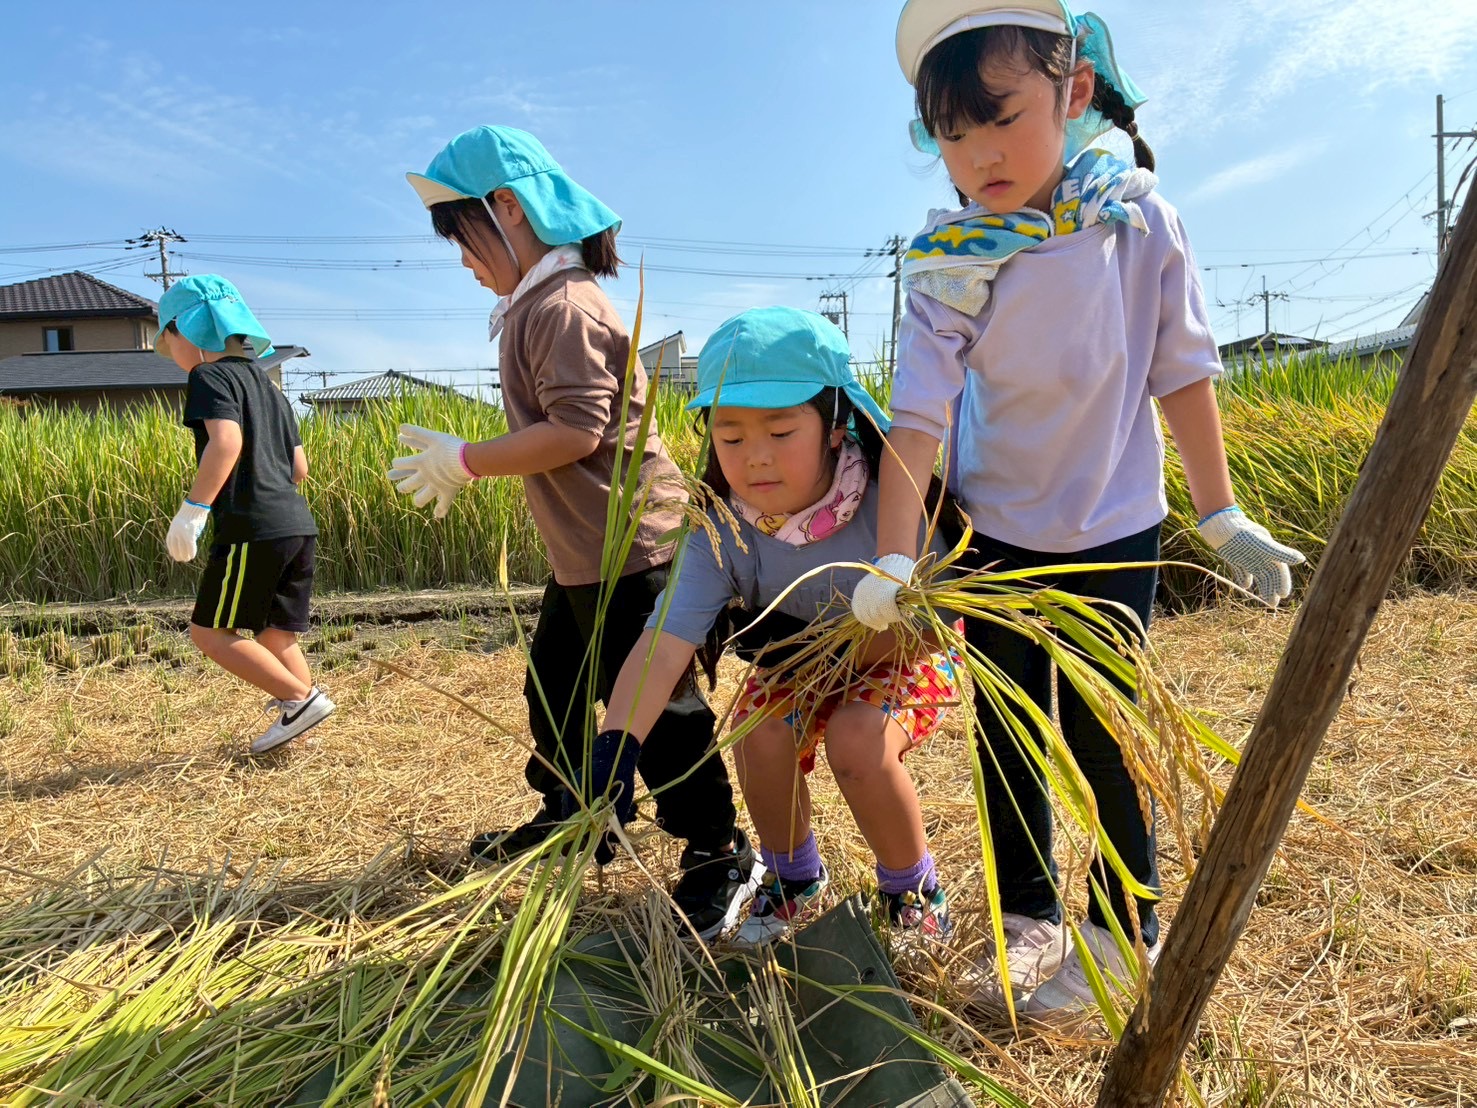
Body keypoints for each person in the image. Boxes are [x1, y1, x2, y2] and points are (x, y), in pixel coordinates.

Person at [851, 1, 1306, 1012]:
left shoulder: (1132, 217)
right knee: (1005, 728)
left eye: (1001, 117)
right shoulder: (953, 258)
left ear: (1073, 92)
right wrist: (892, 555)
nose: (980, 156)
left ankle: (1118, 929)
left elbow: (1179, 368)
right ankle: (1025, 922)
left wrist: (1220, 512)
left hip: (1110, 523)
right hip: (991, 530)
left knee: (1104, 725)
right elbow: (916, 417)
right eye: (954, 135)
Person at [388, 125, 755, 940]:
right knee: (550, 687)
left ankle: (718, 851)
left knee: (660, 712)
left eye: (463, 235)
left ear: (508, 209)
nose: (462, 259)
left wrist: (468, 460)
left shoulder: (562, 305)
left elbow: (578, 430)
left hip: (639, 549)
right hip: (587, 556)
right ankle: (575, 811)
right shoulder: (533, 306)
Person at [586, 307, 959, 945]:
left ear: (837, 424)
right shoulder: (723, 531)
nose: (755, 459)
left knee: (858, 741)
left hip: (906, 655)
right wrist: (615, 749)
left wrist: (861, 650)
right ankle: (794, 881)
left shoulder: (891, 497)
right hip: (799, 662)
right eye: (730, 437)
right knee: (757, 733)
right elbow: (664, 642)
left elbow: (938, 619)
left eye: (781, 431)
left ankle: (911, 890)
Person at [157, 275, 334, 755]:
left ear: (187, 331)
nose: (170, 351)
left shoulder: (208, 377)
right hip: (297, 525)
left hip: (251, 528)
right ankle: (300, 720)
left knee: (210, 631)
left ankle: (299, 700)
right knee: (277, 634)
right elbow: (300, 468)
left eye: (167, 338)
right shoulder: (269, 386)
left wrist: (193, 509)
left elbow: (227, 442)